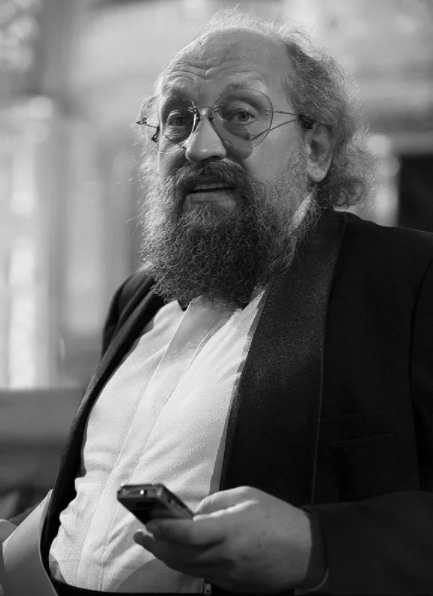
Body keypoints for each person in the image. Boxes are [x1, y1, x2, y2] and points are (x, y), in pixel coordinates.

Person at [1, 9, 433, 595]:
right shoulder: (138, 297)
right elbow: (101, 479)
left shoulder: (407, 280)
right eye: (177, 119)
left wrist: (318, 546)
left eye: (241, 115)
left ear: (315, 148)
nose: (199, 146)